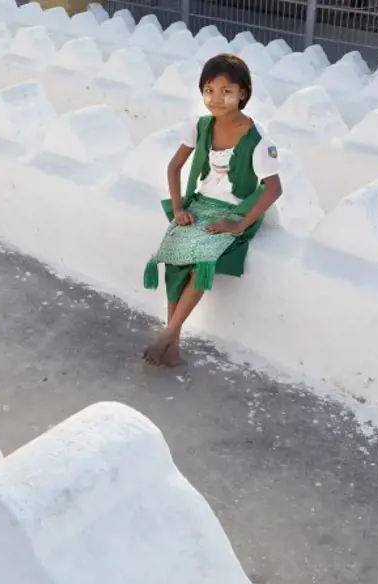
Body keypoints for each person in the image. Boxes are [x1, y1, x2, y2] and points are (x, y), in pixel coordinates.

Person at [142, 53, 282, 367]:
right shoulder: (200, 125)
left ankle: (168, 335)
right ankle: (173, 347)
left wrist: (238, 224)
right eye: (208, 90)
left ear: (243, 93)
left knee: (200, 261)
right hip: (199, 205)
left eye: (226, 91)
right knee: (175, 258)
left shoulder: (258, 139)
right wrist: (179, 209)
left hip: (233, 211)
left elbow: (273, 188)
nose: (216, 99)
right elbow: (174, 167)